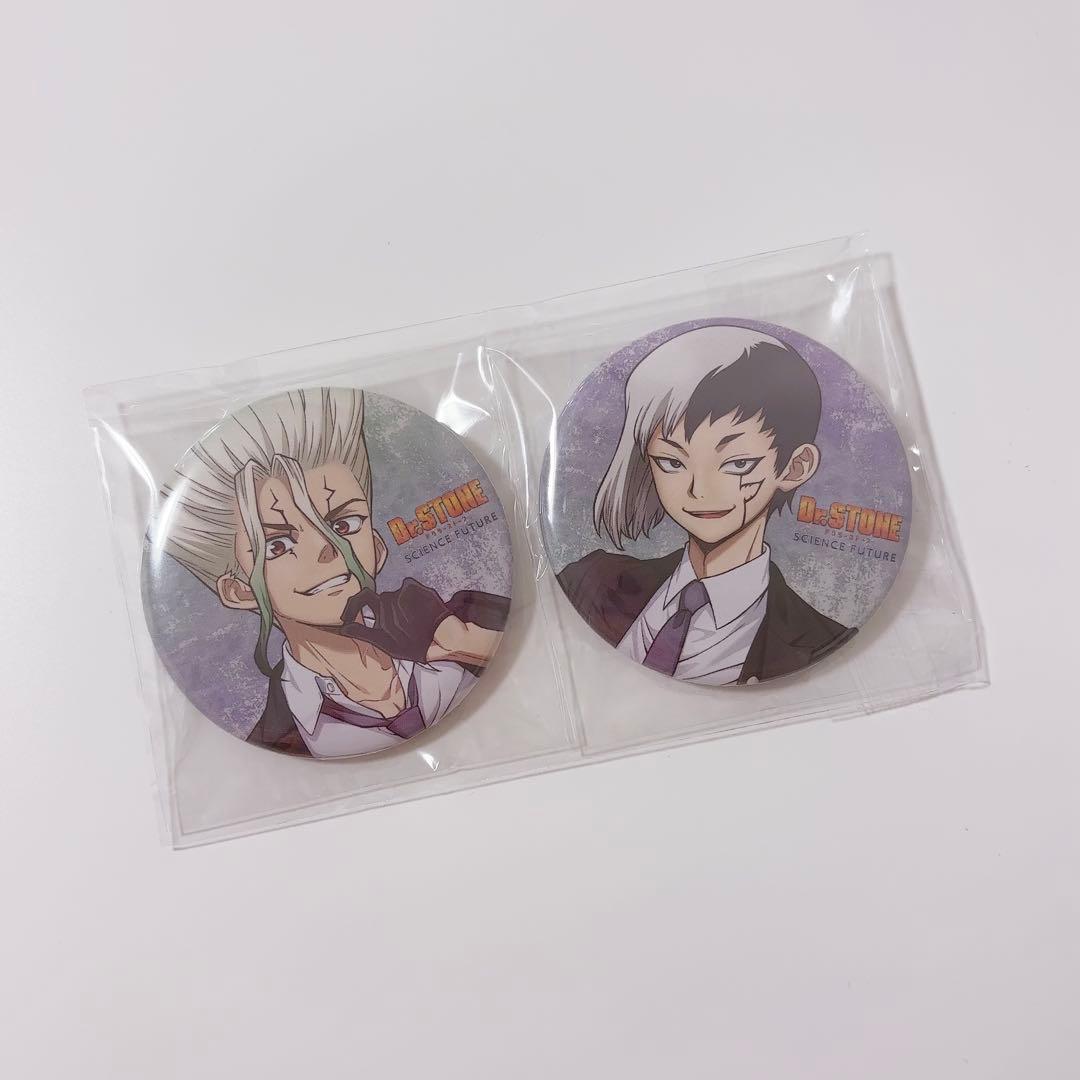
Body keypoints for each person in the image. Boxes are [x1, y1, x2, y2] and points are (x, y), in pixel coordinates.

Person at [156, 387, 508, 757]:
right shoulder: (281, 735)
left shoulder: (475, 620)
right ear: (240, 591)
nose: (326, 549)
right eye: (278, 545)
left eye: (343, 525)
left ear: (376, 547)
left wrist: (456, 641)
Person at [557, 325, 853, 685]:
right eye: (672, 462)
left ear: (794, 467)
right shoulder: (591, 579)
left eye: (738, 464)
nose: (699, 491)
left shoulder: (818, 641)